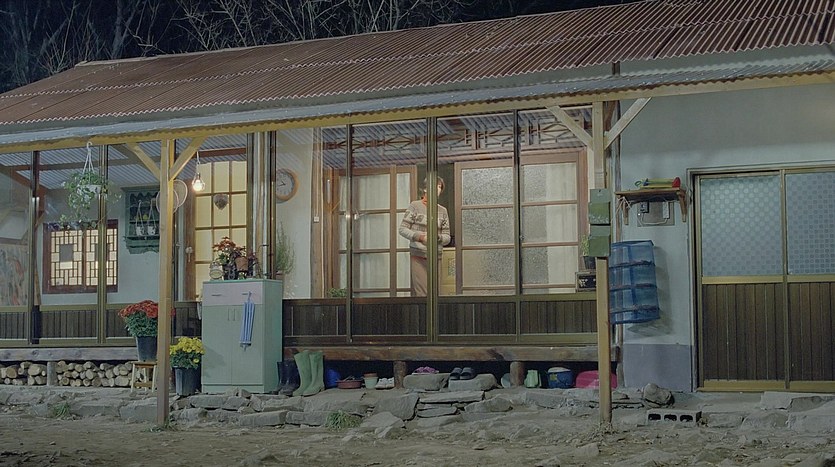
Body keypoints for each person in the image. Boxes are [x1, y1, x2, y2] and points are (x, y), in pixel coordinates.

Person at [398, 176, 451, 296]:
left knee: (435, 293)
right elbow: (402, 229)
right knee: (422, 293)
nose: (437, 189)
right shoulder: (415, 206)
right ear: (426, 189)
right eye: (435, 186)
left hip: (436, 257)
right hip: (418, 255)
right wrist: (420, 237)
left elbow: (447, 237)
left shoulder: (442, 211)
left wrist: (438, 238)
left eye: (439, 187)